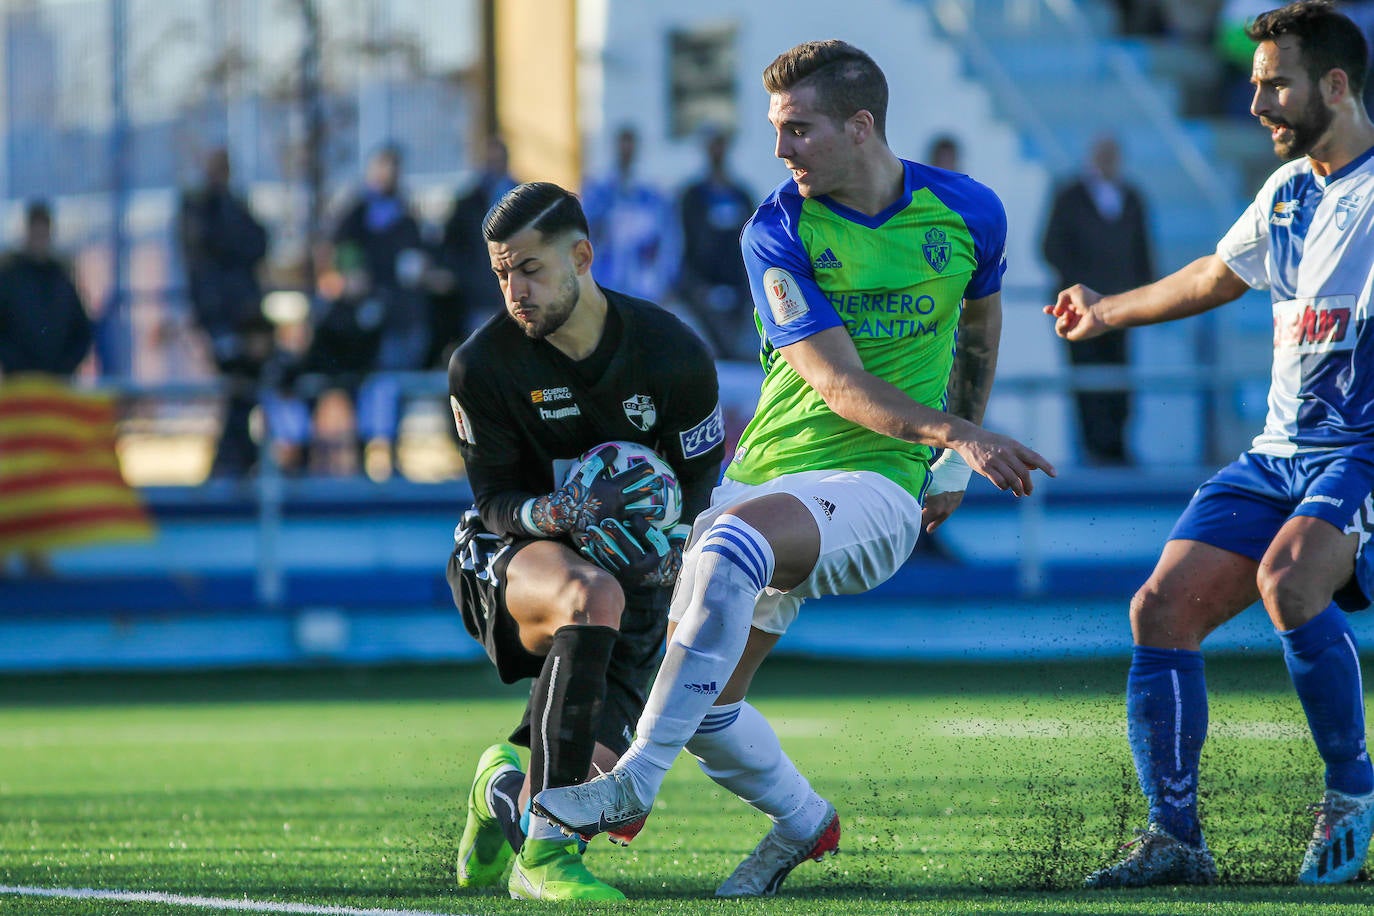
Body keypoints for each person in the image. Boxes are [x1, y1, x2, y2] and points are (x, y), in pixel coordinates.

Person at [534, 40, 1054, 898]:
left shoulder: (970, 211)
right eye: (776, 130)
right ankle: (807, 823)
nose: (780, 151)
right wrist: (961, 433)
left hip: (879, 486)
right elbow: (837, 382)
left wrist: (951, 459)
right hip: (769, 474)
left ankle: (629, 787)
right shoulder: (776, 228)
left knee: (729, 550)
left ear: (861, 126)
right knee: (704, 704)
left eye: (798, 130)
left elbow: (980, 332)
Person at [1044, 0, 1374, 888]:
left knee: (1290, 580)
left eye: (1276, 85)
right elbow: (1212, 276)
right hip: (1278, 450)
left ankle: (1351, 795)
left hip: (1362, 446)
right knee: (1160, 609)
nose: (1257, 101)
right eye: (1256, 82)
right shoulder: (1290, 190)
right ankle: (1175, 839)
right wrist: (1105, 308)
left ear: (1335, 85)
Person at [446, 181, 724, 901]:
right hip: (507, 559)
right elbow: (495, 501)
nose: (515, 290)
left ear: (581, 256)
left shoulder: (673, 354)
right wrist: (565, 512)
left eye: (530, 269)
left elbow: (700, 487)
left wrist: (672, 559)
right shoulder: (483, 366)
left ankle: (501, 786)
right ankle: (544, 860)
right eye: (503, 272)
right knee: (585, 592)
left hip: (635, 574)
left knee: (592, 784)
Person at [1040, 133, 1156, 466]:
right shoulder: (1070, 196)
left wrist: (1140, 293)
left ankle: (1117, 446)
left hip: (1121, 308)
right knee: (1087, 376)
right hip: (1078, 312)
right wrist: (1082, 288)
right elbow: (1051, 246)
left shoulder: (1131, 197)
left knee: (1120, 377)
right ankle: (1093, 448)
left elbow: (1143, 251)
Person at [0, 200, 94, 576]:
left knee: (45, 477)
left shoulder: (61, 279)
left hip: (53, 395)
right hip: (21, 393)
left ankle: (37, 550)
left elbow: (81, 330)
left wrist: (63, 369)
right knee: (16, 474)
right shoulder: (11, 279)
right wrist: (18, 368)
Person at [326, 143, 430, 477]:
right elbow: (340, 256)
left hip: (399, 318)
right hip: (363, 323)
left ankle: (392, 454)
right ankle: (361, 456)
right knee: (363, 387)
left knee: (396, 387)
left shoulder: (406, 215)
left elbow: (420, 257)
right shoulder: (355, 215)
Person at [177, 147, 273, 478]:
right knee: (236, 389)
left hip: (244, 317)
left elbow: (259, 242)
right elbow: (207, 256)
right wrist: (212, 319)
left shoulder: (234, 206)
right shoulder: (200, 209)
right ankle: (229, 462)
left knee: (245, 391)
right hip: (221, 318)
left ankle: (233, 461)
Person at [431, 136, 518, 370]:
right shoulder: (467, 203)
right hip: (479, 300)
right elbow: (450, 247)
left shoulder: (522, 196)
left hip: (518, 296)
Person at [676, 127, 757, 360]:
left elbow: (750, 245)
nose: (717, 151)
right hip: (701, 291)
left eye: (721, 144)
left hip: (737, 292)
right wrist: (694, 286)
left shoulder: (741, 195)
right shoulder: (692, 196)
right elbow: (684, 241)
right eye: (712, 145)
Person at [581, 125, 679, 304]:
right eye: (623, 144)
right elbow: (585, 232)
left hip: (643, 288)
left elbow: (668, 241)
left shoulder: (651, 196)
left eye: (630, 144)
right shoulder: (599, 193)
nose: (626, 150)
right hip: (605, 285)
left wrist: (667, 280)